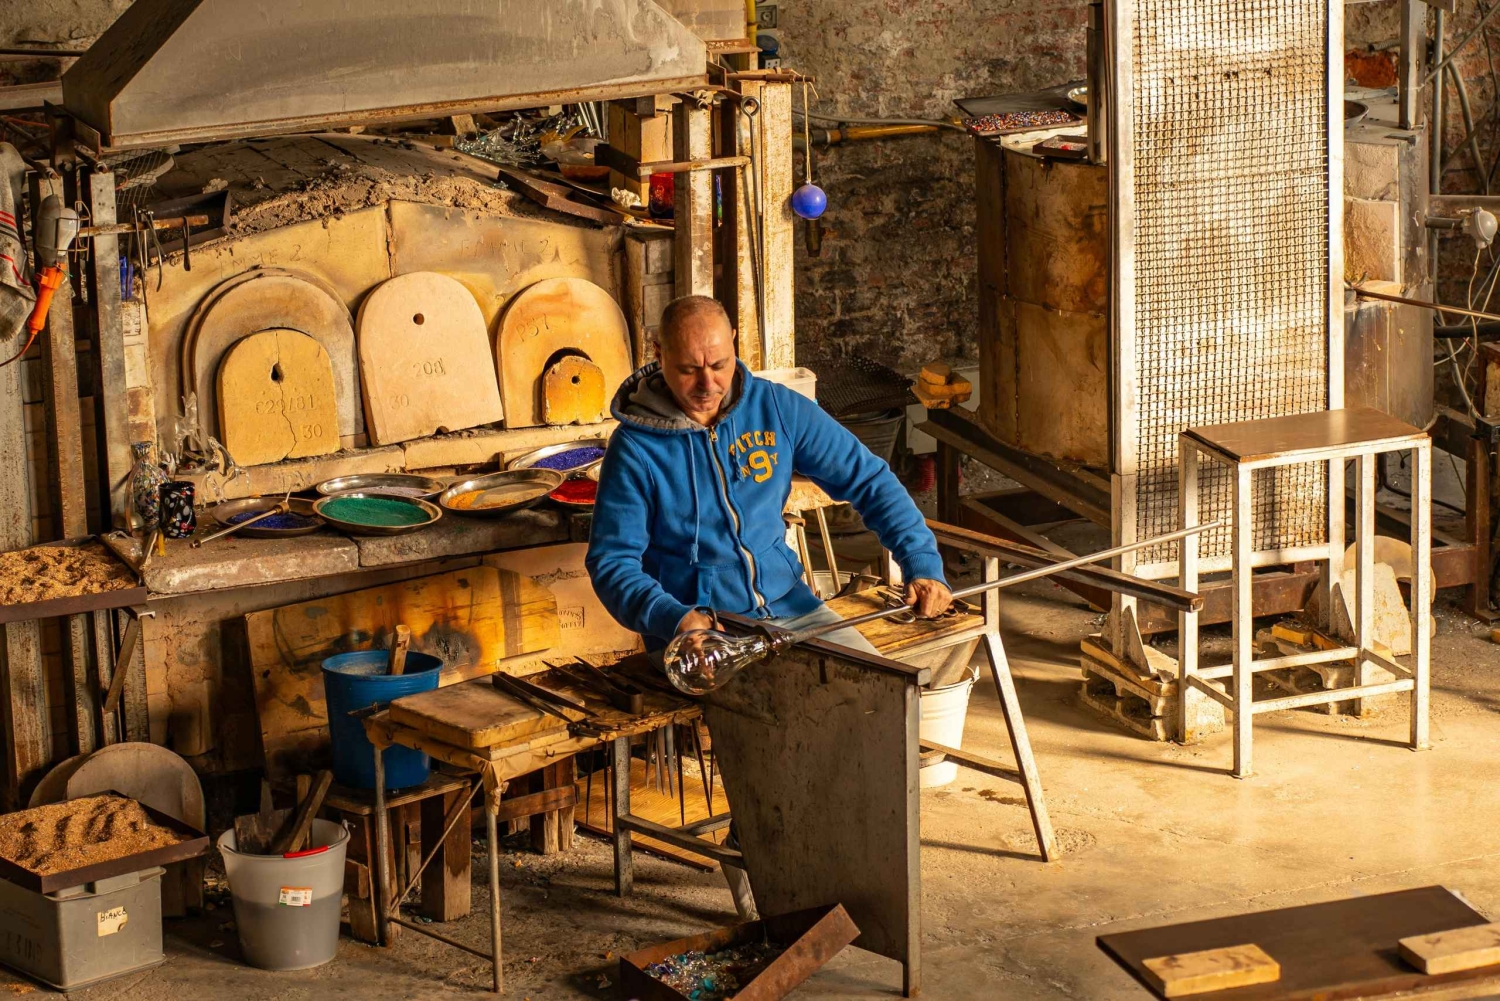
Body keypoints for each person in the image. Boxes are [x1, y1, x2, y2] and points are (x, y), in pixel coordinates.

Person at [587, 294, 953, 652]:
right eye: (688, 370)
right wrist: (672, 617)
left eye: (719, 365)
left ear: (733, 342)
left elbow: (869, 480)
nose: (708, 385)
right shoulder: (635, 449)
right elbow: (612, 562)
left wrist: (920, 562)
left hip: (793, 608)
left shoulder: (776, 407)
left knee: (879, 698)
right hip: (703, 633)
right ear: (658, 353)